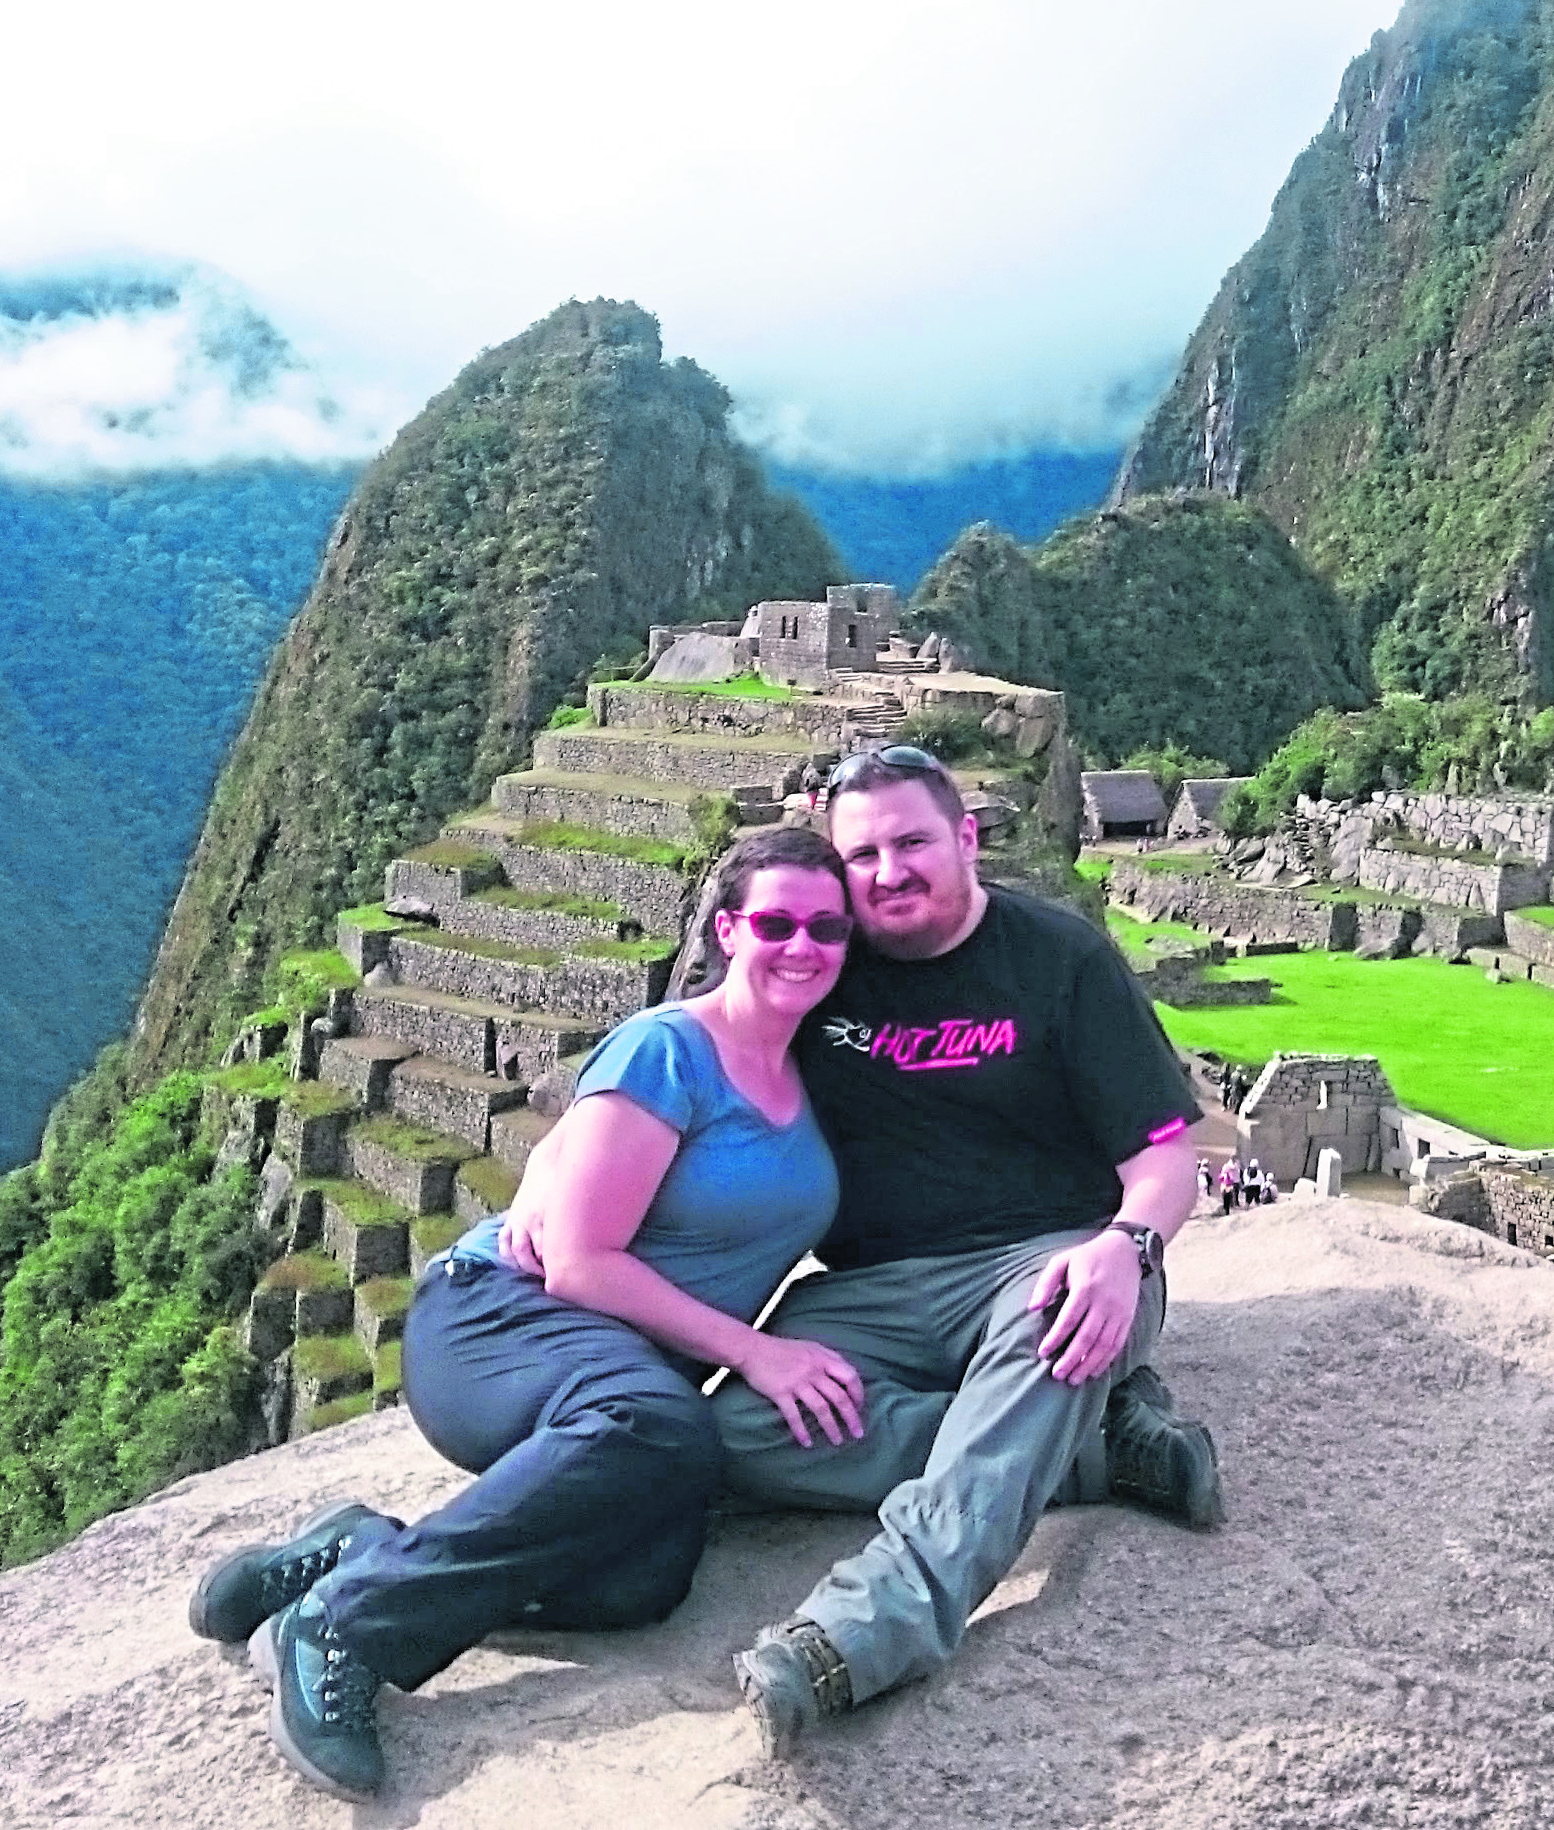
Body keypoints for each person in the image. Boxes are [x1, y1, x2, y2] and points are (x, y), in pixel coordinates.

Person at [511, 742, 1226, 1756]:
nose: (889, 872)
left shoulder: (1058, 960)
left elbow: (1167, 1159)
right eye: (864, 855)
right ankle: (1099, 1452)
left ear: (967, 838)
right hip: (875, 1293)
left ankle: (871, 1627)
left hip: (1051, 1263)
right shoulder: (817, 964)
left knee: (1051, 1320)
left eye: (913, 843)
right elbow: (678, 1051)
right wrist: (557, 1160)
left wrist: (1124, 1245)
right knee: (742, 1431)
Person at [186, 825, 865, 1798]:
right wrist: (755, 1354)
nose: (803, 945)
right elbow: (580, 1263)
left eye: (828, 928)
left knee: (644, 1584)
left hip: (622, 1387)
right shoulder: (668, 1050)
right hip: (496, 1322)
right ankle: (343, 1624)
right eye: (778, 922)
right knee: (663, 1425)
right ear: (727, 928)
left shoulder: (816, 1080)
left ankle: (365, 1546)